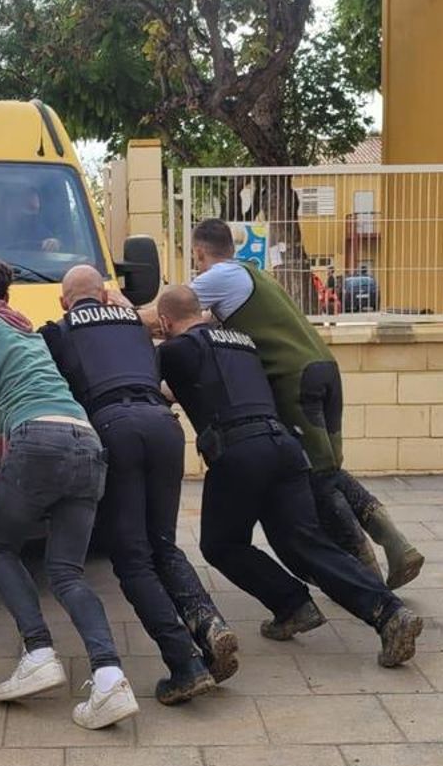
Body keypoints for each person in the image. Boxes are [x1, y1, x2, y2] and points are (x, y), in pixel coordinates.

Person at [154, 284, 424, 667]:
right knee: (306, 542)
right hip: (284, 446)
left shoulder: (176, 349)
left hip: (240, 452)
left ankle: (292, 601)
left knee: (221, 544)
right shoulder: (242, 341)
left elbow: (148, 378)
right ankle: (390, 613)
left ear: (165, 322)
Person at [0, 255, 138, 729]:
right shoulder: (26, 330)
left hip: (34, 439)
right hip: (86, 439)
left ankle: (38, 653)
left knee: (0, 547)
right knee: (68, 571)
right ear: (8, 296)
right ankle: (110, 678)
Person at [185, 218, 425, 589]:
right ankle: (396, 545)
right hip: (323, 369)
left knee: (318, 477)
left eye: (195, 259)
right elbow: (201, 320)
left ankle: (368, 577)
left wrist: (121, 307)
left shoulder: (219, 277)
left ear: (200, 252)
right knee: (329, 468)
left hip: (295, 380)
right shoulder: (252, 275)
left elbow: (172, 311)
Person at [39, 265, 234, 702]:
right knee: (162, 542)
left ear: (63, 301)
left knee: (131, 557)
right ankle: (210, 624)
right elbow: (154, 319)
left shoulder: (56, 329)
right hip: (163, 424)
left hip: (113, 427)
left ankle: (185, 663)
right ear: (105, 296)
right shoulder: (134, 320)